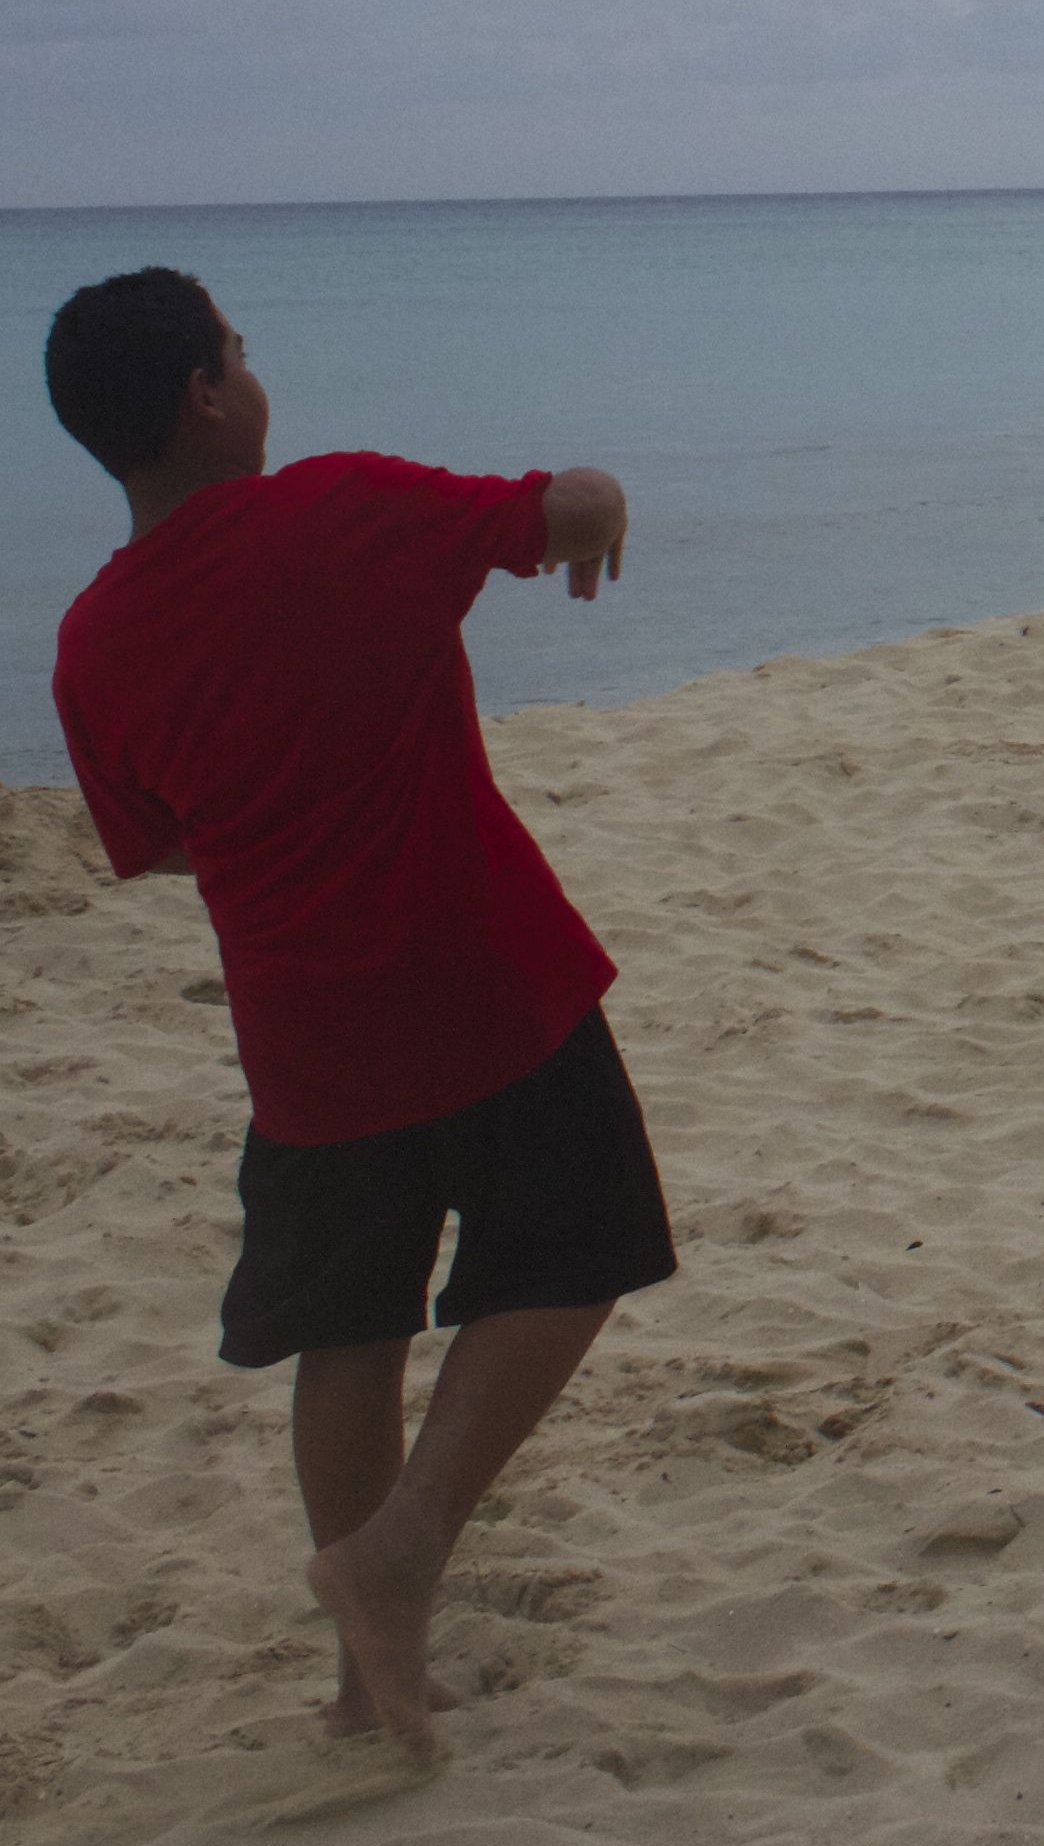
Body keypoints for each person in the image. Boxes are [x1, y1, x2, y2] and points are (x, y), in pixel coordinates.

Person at [40, 268, 663, 1764]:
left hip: (306, 1041)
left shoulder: (90, 642)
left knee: (352, 1328)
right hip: (484, 981)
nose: (255, 374)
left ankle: (363, 1678)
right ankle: (404, 1549)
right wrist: (608, 517)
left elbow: (163, 837)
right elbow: (568, 503)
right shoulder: (344, 507)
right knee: (582, 1252)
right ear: (202, 393)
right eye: (240, 353)